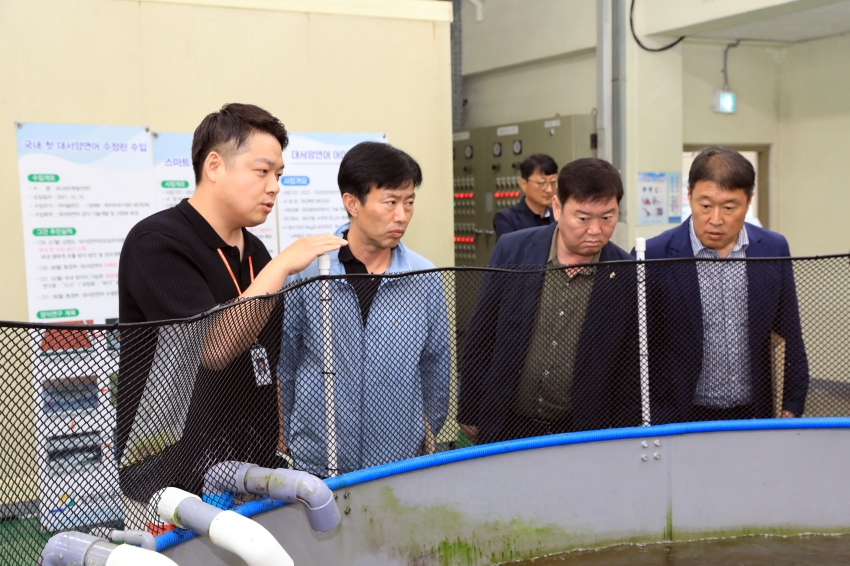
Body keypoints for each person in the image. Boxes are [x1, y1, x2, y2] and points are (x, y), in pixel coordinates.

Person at [117, 103, 345, 502]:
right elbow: (214, 348)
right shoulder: (157, 241)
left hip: (249, 468)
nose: (274, 187)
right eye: (262, 171)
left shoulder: (255, 251)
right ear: (215, 166)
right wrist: (283, 266)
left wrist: (277, 443)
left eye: (278, 175)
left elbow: (267, 361)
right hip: (169, 480)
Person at [278, 142, 450, 476]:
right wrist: (288, 432)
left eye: (409, 202)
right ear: (352, 203)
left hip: (398, 461)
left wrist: (422, 432)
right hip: (319, 460)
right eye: (390, 202)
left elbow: (435, 367)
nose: (402, 216)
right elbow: (287, 360)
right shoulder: (310, 270)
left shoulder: (423, 275)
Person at [458, 158, 640, 445]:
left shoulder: (626, 273)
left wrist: (622, 434)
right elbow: (482, 332)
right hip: (508, 422)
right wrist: (469, 407)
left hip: (580, 431)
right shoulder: (514, 251)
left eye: (607, 218)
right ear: (557, 207)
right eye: (583, 218)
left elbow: (629, 365)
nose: (595, 230)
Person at [640, 147, 809, 423]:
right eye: (705, 206)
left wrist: (790, 407)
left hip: (752, 414)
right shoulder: (654, 255)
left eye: (729, 208)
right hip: (677, 416)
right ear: (689, 195)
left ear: (749, 201)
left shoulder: (772, 249)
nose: (716, 220)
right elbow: (635, 347)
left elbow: (790, 331)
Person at [493, 154, 558, 239]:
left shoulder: (558, 216)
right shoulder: (507, 218)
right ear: (523, 184)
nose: (549, 190)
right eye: (541, 183)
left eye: (553, 182)